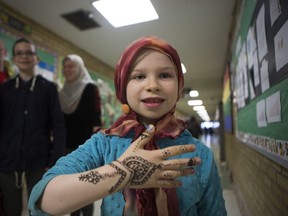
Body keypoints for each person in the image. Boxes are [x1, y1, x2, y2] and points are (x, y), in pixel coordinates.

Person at [28, 36, 227, 216]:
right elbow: (42, 200)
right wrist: (122, 172)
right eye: (139, 76)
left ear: (179, 86)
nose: (153, 85)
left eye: (165, 75)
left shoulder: (200, 155)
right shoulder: (104, 144)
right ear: (123, 87)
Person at [0, 37, 66, 216]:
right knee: (10, 209)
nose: (24, 56)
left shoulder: (49, 89)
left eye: (29, 52)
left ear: (36, 57)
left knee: (37, 208)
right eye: (19, 53)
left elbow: (58, 127)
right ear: (13, 58)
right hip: (7, 164)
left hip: (39, 163)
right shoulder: (4, 90)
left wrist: (55, 162)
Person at [59, 54, 102, 216]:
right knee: (71, 191)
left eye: (72, 66)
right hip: (66, 149)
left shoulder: (90, 88)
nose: (68, 70)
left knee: (86, 190)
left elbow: (96, 120)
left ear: (80, 68)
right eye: (65, 66)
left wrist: (94, 152)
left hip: (85, 150)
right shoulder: (62, 92)